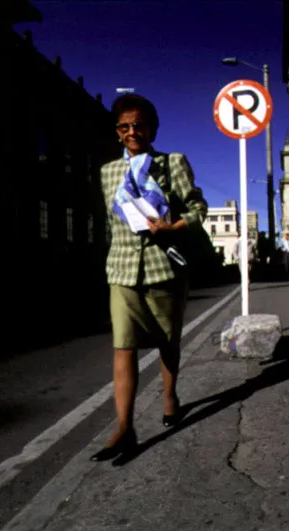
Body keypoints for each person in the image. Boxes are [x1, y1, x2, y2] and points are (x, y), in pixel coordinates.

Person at [91, 94, 208, 462]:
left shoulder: (172, 163)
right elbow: (110, 222)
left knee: (167, 340)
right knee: (122, 345)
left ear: (152, 128)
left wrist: (172, 226)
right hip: (121, 268)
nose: (132, 132)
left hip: (163, 266)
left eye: (139, 125)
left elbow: (197, 209)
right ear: (117, 131)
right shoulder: (108, 172)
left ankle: (170, 398)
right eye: (124, 127)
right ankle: (125, 427)